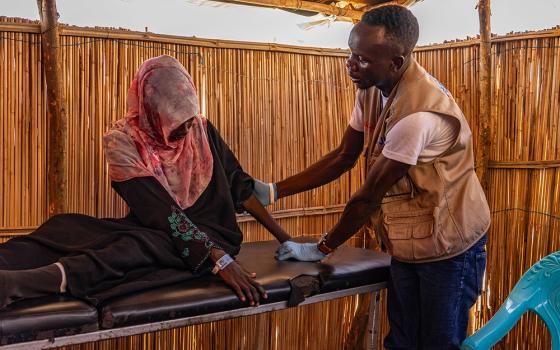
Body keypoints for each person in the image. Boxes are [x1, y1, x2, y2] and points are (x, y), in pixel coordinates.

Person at [254, 5, 490, 349]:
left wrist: (321, 249)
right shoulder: (371, 87)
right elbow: (343, 156)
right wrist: (275, 190)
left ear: (396, 61)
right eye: (351, 53)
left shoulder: (417, 115)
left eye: (363, 59)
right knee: (401, 341)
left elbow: (368, 198)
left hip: (451, 244)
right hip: (412, 240)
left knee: (438, 342)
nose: (351, 64)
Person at [0, 55, 290, 309]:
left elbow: (241, 187)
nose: (187, 129)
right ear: (151, 110)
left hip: (213, 237)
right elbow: (159, 212)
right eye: (176, 123)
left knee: (130, 249)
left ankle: (22, 284)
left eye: (189, 119)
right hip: (160, 226)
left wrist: (286, 241)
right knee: (66, 228)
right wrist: (218, 260)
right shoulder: (122, 141)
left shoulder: (200, 128)